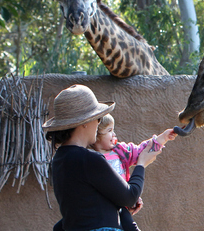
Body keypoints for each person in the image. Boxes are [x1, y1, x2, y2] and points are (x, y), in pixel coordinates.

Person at [43, 84, 162, 231]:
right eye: (97, 118)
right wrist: (142, 163)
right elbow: (130, 196)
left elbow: (81, 209)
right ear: (84, 123)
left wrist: (112, 209)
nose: (98, 123)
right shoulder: (89, 159)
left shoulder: (59, 160)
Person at [89, 113, 177, 231]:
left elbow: (141, 151)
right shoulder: (89, 157)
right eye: (109, 130)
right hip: (103, 209)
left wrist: (163, 138)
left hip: (121, 205)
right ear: (96, 134)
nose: (114, 134)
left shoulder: (120, 150)